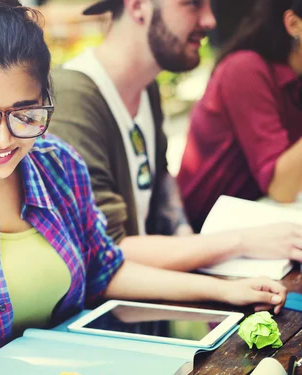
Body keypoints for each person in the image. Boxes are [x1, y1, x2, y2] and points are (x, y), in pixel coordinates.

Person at [0, 1, 287, 373]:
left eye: (25, 114)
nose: (2, 139)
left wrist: (227, 291)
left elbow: (104, 269)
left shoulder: (59, 164)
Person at [47, 0, 302, 271]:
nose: (209, 21)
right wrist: (241, 242)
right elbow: (104, 249)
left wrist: (187, 238)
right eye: (192, 4)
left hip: (155, 299)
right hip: (107, 310)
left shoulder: (147, 90)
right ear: (137, 7)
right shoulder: (72, 98)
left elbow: (161, 183)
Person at [177, 0, 302, 231]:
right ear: (294, 24)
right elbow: (282, 187)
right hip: (201, 234)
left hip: (256, 223)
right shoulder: (245, 69)